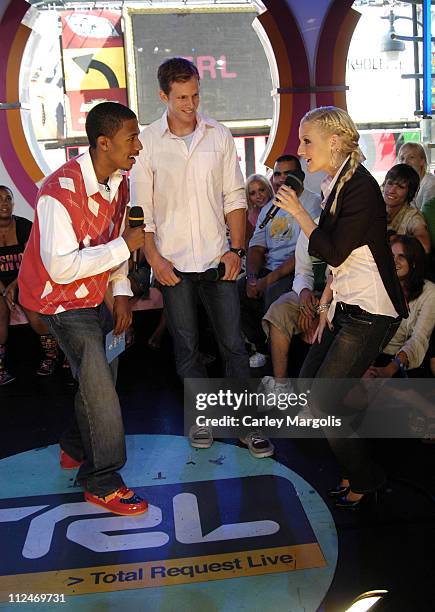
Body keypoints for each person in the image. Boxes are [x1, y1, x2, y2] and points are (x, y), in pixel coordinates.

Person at [18, 102, 148, 516]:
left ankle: (74, 447)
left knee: (101, 376)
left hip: (94, 295)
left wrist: (122, 290)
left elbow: (115, 239)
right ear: (104, 142)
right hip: (59, 300)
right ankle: (103, 481)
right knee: (100, 387)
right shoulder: (58, 192)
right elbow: (61, 267)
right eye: (132, 138)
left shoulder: (120, 182)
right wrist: (123, 247)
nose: (139, 146)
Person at [275, 106, 407, 510]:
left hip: (371, 312)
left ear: (334, 142)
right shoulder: (339, 179)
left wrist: (298, 211)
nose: (301, 149)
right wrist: (326, 304)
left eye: (307, 141)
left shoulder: (361, 187)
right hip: (346, 306)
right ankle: (357, 464)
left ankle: (366, 479)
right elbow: (340, 259)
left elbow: (331, 249)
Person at [130, 58, 263, 453]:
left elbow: (234, 197)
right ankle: (201, 422)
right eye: (182, 97)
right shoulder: (147, 142)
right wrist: (154, 259)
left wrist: (236, 249)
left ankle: (248, 426)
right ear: (163, 96)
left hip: (217, 258)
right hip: (171, 265)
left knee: (233, 346)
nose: (191, 104)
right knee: (186, 349)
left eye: (195, 94)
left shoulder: (219, 135)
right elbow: (142, 211)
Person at [239, 155, 321, 368]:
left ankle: (280, 361)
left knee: (274, 291)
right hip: (270, 269)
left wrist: (269, 280)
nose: (282, 179)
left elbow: (305, 252)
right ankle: (262, 346)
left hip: (298, 271)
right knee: (237, 288)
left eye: (288, 173)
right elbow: (256, 247)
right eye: (277, 174)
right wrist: (252, 277)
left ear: (299, 177)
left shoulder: (313, 203)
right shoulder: (269, 208)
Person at [0, 186, 59, 385]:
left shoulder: (24, 226)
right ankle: (0, 368)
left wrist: (15, 286)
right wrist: (4, 289)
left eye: (8, 198)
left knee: (34, 311)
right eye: (0, 199)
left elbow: (32, 262)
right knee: (0, 310)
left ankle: (51, 357)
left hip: (24, 281)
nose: (4, 203)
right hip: (1, 287)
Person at [366, 235, 435, 377]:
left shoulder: (429, 292)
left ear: (414, 262)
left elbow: (419, 338)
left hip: (404, 360)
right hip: (369, 357)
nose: (394, 261)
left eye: (401, 257)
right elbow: (365, 332)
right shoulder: (377, 284)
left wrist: (389, 370)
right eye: (391, 255)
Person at [383, 163, 431, 253]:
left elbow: (425, 246)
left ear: (410, 192)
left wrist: (394, 239)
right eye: (390, 183)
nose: (392, 190)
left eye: (400, 187)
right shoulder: (373, 206)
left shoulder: (412, 216)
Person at [398, 141, 435, 211]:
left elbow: (426, 216)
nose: (405, 162)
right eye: (402, 158)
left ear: (422, 161)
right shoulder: (404, 184)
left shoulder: (431, 184)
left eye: (411, 157)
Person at [245, 174, 273, 248]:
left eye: (262, 190)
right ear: (248, 197)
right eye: (253, 193)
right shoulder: (250, 217)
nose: (258, 196)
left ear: (269, 189)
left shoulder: (281, 209)